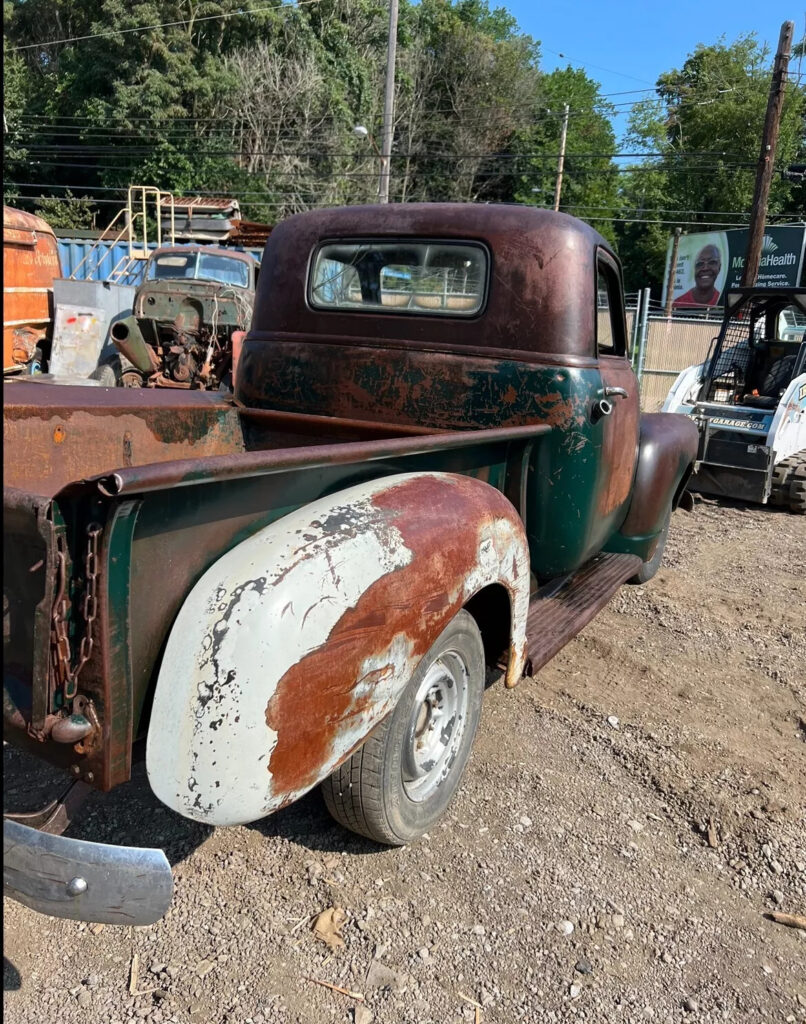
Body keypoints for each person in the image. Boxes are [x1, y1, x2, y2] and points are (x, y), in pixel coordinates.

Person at [673, 244, 722, 308]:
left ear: (719, 267)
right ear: (694, 269)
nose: (705, 268)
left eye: (712, 262)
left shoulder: (723, 301)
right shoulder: (678, 303)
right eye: (700, 263)